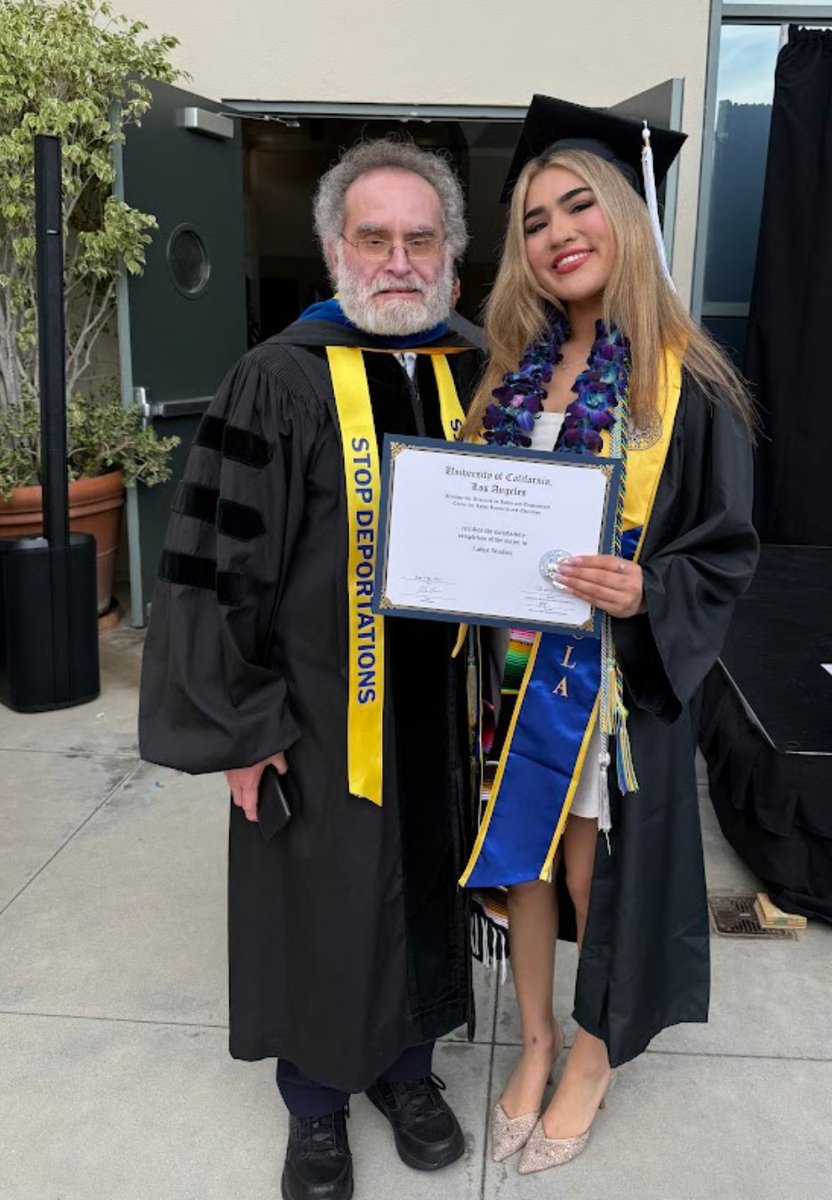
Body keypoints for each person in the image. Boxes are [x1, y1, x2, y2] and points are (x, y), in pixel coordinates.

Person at [138, 139, 484, 1200]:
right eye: (374, 238)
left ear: (452, 256)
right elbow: (215, 566)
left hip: (445, 708)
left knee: (427, 887)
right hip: (320, 711)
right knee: (323, 901)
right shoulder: (278, 379)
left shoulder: (479, 367)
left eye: (420, 238)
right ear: (336, 250)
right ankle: (317, 1101)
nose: (398, 260)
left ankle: (408, 1071)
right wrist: (240, 726)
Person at [458, 94, 760, 1173]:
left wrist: (646, 590)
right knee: (524, 860)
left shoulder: (688, 377)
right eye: (535, 220)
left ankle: (593, 1051)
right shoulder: (511, 369)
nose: (558, 234)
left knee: (591, 866)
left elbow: (727, 549)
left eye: (580, 206)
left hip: (614, 681)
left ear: (627, 216)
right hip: (512, 661)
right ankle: (535, 1038)